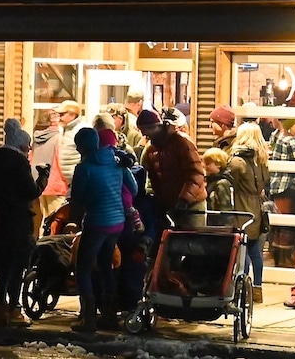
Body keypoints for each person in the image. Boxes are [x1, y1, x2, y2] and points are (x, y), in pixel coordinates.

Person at [68, 126, 136, 334]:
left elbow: (77, 199)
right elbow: (132, 188)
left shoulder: (84, 168)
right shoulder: (116, 163)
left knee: (84, 268)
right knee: (106, 266)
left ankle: (88, 318)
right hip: (117, 222)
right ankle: (109, 315)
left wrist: (75, 220)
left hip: (97, 221)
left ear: (81, 147)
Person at [0, 119, 42, 328]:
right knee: (17, 266)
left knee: (1, 267)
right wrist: (41, 180)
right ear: (21, 146)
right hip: (17, 221)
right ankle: (14, 309)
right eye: (27, 148)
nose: (28, 151)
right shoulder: (18, 162)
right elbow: (30, 191)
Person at [139, 108, 206, 237]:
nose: (144, 136)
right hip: (170, 205)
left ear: (155, 127)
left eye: (145, 131)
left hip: (191, 205)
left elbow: (195, 174)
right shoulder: (152, 149)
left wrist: (184, 199)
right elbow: (154, 178)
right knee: (171, 246)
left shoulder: (182, 143)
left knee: (192, 245)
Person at [224, 121, 272, 304]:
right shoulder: (261, 161)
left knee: (241, 251)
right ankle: (257, 289)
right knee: (255, 252)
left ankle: (241, 290)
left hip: (241, 208)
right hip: (257, 210)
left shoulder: (237, 161)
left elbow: (227, 181)